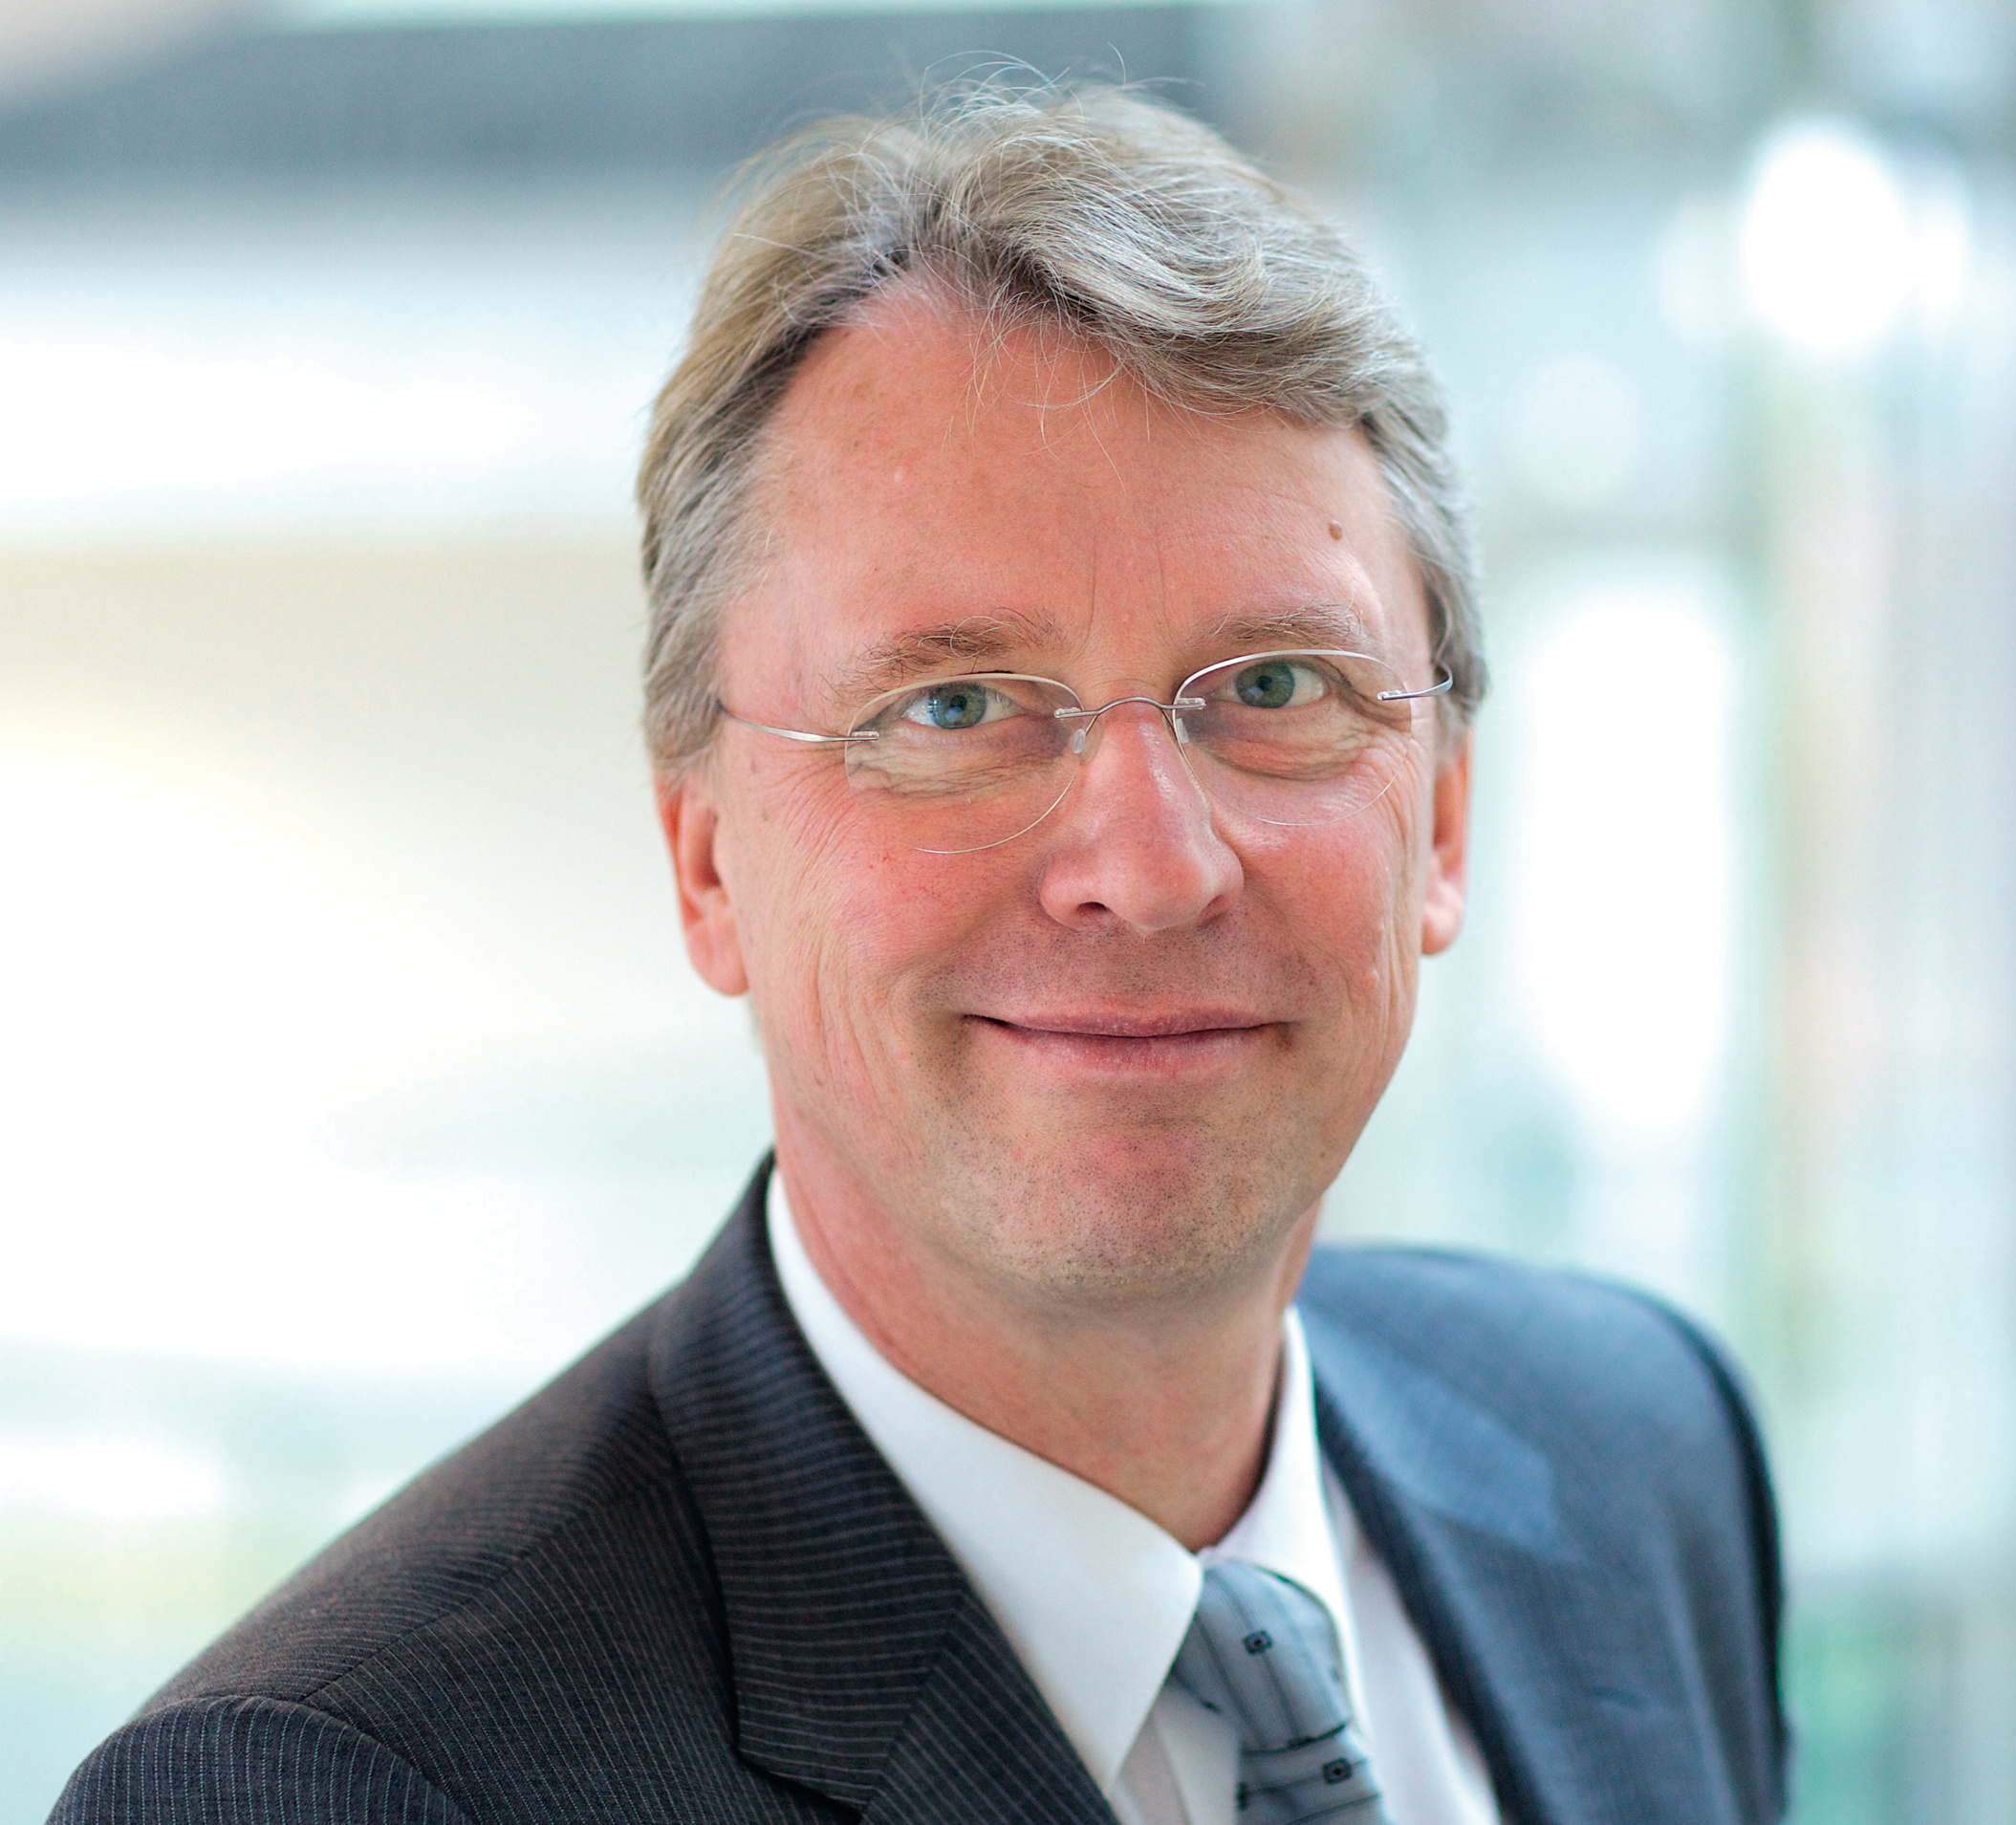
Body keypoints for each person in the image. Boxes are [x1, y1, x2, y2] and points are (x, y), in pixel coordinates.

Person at [54, 81, 1785, 1825]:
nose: (1151, 868)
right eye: (953, 708)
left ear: (1446, 818)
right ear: (707, 860)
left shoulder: (1636, 1447)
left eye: (1275, 687)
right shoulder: (323, 1786)